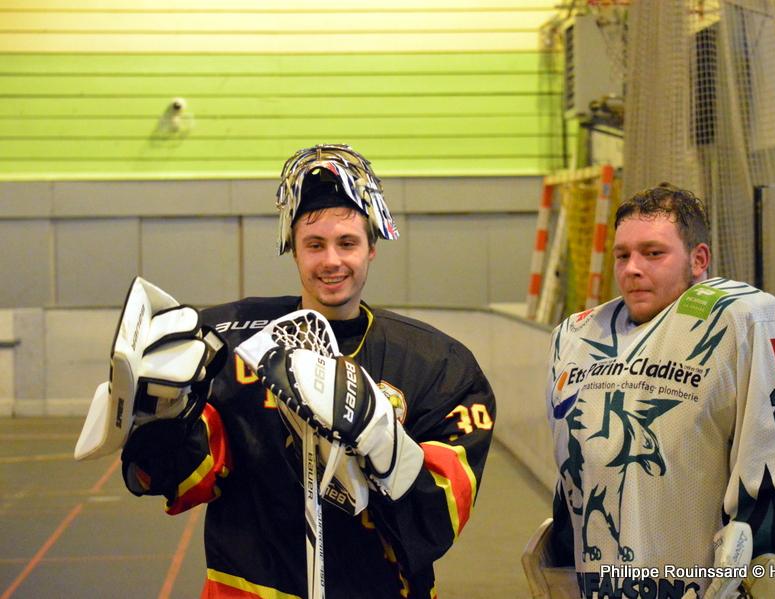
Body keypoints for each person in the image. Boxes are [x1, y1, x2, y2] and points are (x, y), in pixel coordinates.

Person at [74, 144, 496, 598]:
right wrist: (165, 416)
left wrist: (383, 445)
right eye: (314, 244)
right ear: (294, 250)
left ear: (372, 248)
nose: (331, 261)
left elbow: (439, 519)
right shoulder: (227, 346)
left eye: (347, 243)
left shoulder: (438, 365)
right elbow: (175, 478)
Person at [544, 183, 775, 598]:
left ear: (699, 259)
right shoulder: (577, 336)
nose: (632, 268)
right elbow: (577, 467)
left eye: (653, 253)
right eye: (622, 255)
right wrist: (563, 554)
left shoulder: (746, 318)